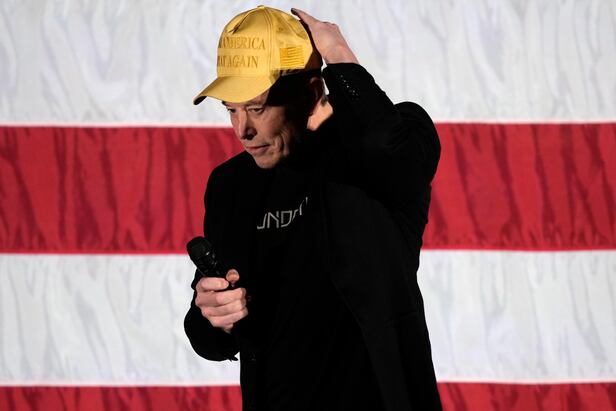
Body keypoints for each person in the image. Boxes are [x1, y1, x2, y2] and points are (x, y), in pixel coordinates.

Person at [184, 6, 442, 411]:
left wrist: (337, 53)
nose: (242, 130)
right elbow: (211, 339)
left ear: (310, 92)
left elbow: (392, 151)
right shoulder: (230, 184)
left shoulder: (374, 155)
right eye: (231, 109)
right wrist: (212, 315)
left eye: (256, 107)